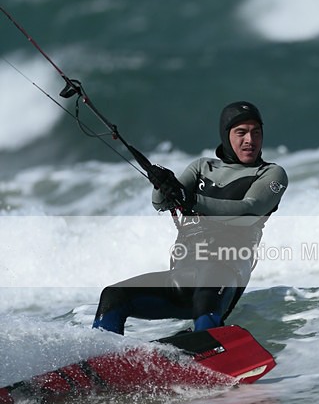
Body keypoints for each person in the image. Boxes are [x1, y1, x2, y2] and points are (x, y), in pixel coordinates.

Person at [92, 101, 288, 335]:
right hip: (183, 275)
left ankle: (207, 350)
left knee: (207, 286)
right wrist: (162, 182)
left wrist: (191, 199)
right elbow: (160, 203)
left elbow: (249, 209)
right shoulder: (202, 167)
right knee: (113, 296)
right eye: (241, 132)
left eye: (256, 132)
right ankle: (102, 358)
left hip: (225, 271)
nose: (250, 140)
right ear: (226, 135)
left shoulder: (270, 173)